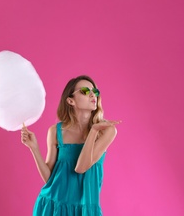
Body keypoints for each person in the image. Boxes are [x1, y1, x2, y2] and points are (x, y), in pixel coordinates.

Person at [21, 75, 119, 215]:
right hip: (53, 206)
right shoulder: (55, 131)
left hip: (85, 210)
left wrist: (93, 131)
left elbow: (81, 167)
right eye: (85, 91)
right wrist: (34, 148)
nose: (93, 95)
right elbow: (50, 179)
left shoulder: (106, 131)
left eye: (95, 91)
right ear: (70, 100)